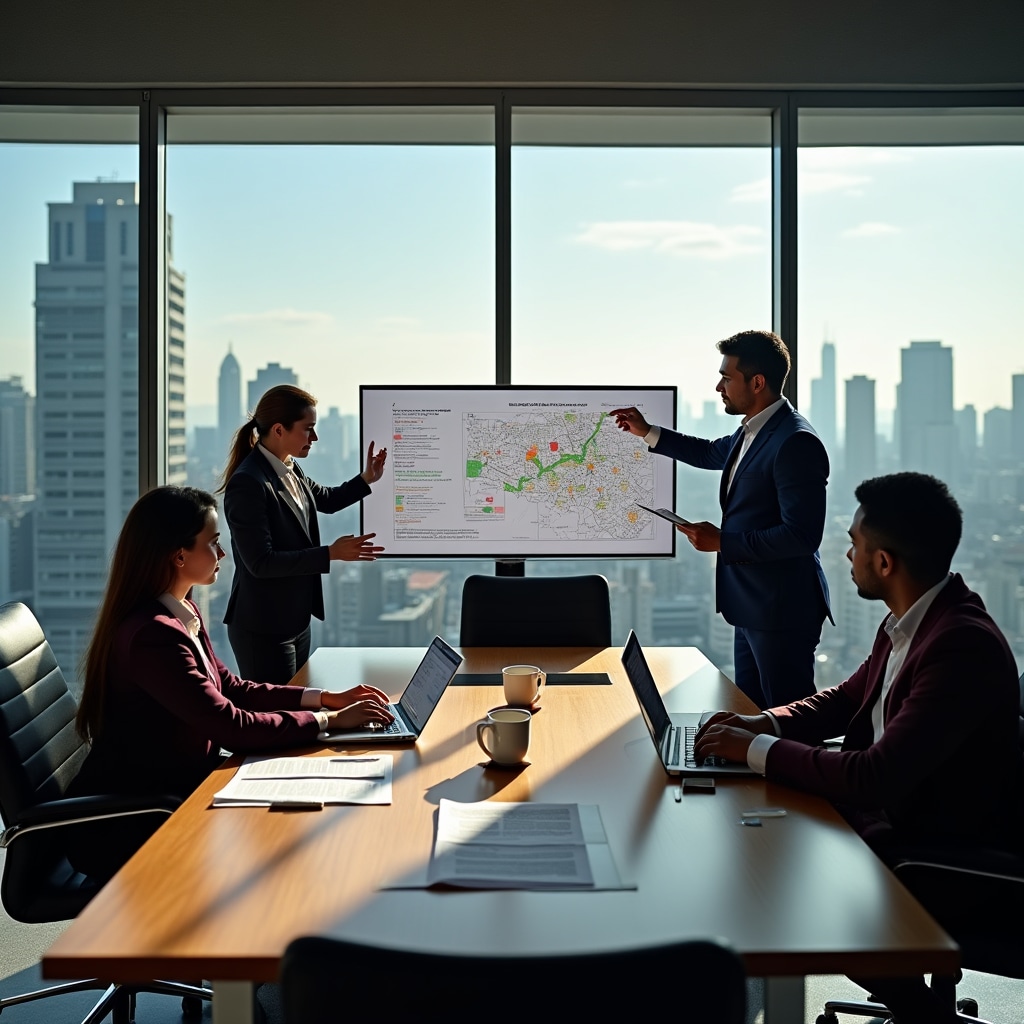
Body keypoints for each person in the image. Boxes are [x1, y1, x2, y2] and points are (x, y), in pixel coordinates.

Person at [694, 472, 1023, 1024]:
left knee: (806, 891)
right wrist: (759, 725)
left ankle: (927, 1019)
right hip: (907, 821)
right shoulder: (913, 620)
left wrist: (753, 751)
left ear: (885, 563)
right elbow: (841, 702)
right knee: (775, 839)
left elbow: (874, 777)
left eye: (854, 544)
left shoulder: (959, 644)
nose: (846, 555)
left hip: (945, 854)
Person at [67, 486, 394, 878]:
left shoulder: (179, 612)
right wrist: (329, 723)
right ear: (179, 555)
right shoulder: (153, 634)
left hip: (177, 789)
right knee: (293, 846)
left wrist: (324, 699)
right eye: (214, 543)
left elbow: (231, 687)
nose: (222, 554)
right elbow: (229, 725)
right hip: (135, 820)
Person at [611, 329, 832, 709]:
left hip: (781, 610)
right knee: (751, 711)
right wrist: (648, 432)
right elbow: (712, 454)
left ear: (757, 382)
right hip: (750, 605)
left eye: (727, 377)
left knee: (787, 716)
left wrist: (722, 542)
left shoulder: (795, 442)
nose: (718, 386)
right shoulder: (754, 431)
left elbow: (802, 535)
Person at [221, 384, 388, 683]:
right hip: (264, 628)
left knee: (297, 709)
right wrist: (330, 554)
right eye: (308, 429)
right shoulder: (248, 483)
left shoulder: (289, 467)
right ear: (279, 430)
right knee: (279, 718)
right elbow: (260, 562)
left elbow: (326, 499)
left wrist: (367, 478)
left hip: (295, 622)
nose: (315, 437)